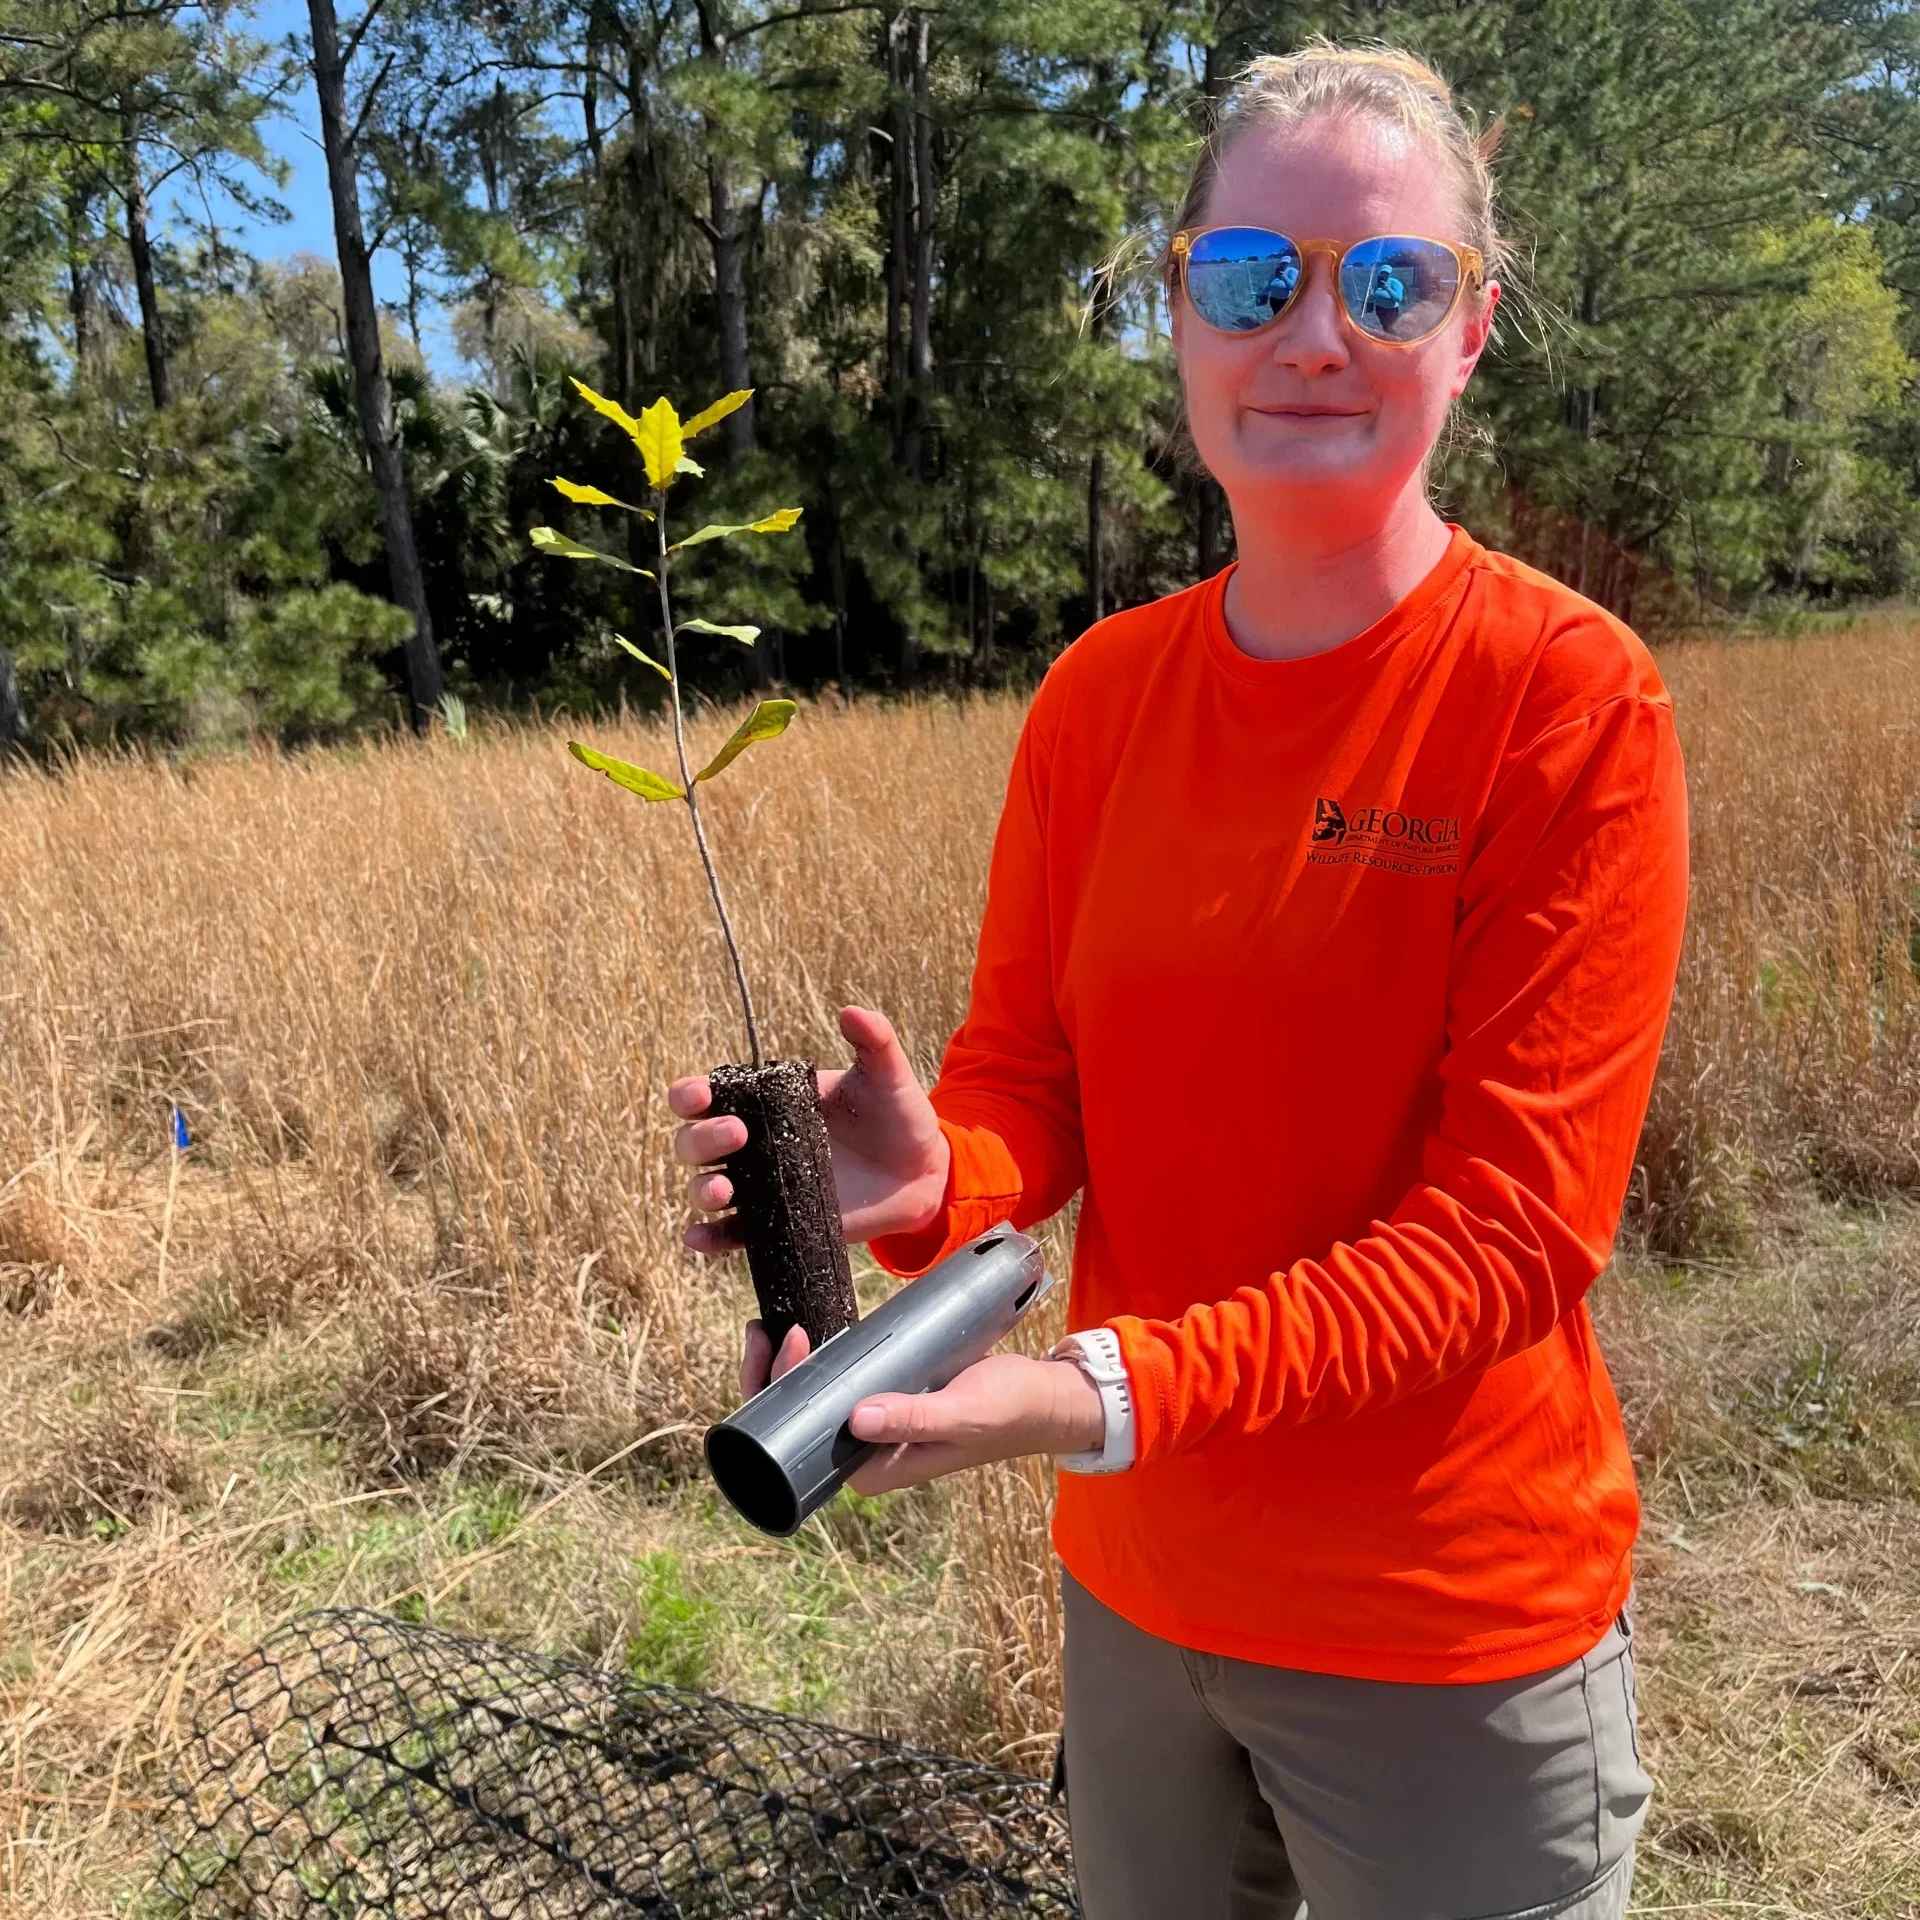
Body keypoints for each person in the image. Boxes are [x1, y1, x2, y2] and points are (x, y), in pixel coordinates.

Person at [671, 41, 1686, 1920]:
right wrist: (927, 1177)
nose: (1315, 332)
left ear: (1471, 331)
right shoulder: (1097, 699)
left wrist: (1086, 1397)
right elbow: (1027, 1089)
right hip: (1137, 1595)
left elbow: (1510, 1242)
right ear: (1179, 313)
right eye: (1252, 280)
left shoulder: (1565, 703)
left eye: (1390, 284)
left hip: (1441, 1630)